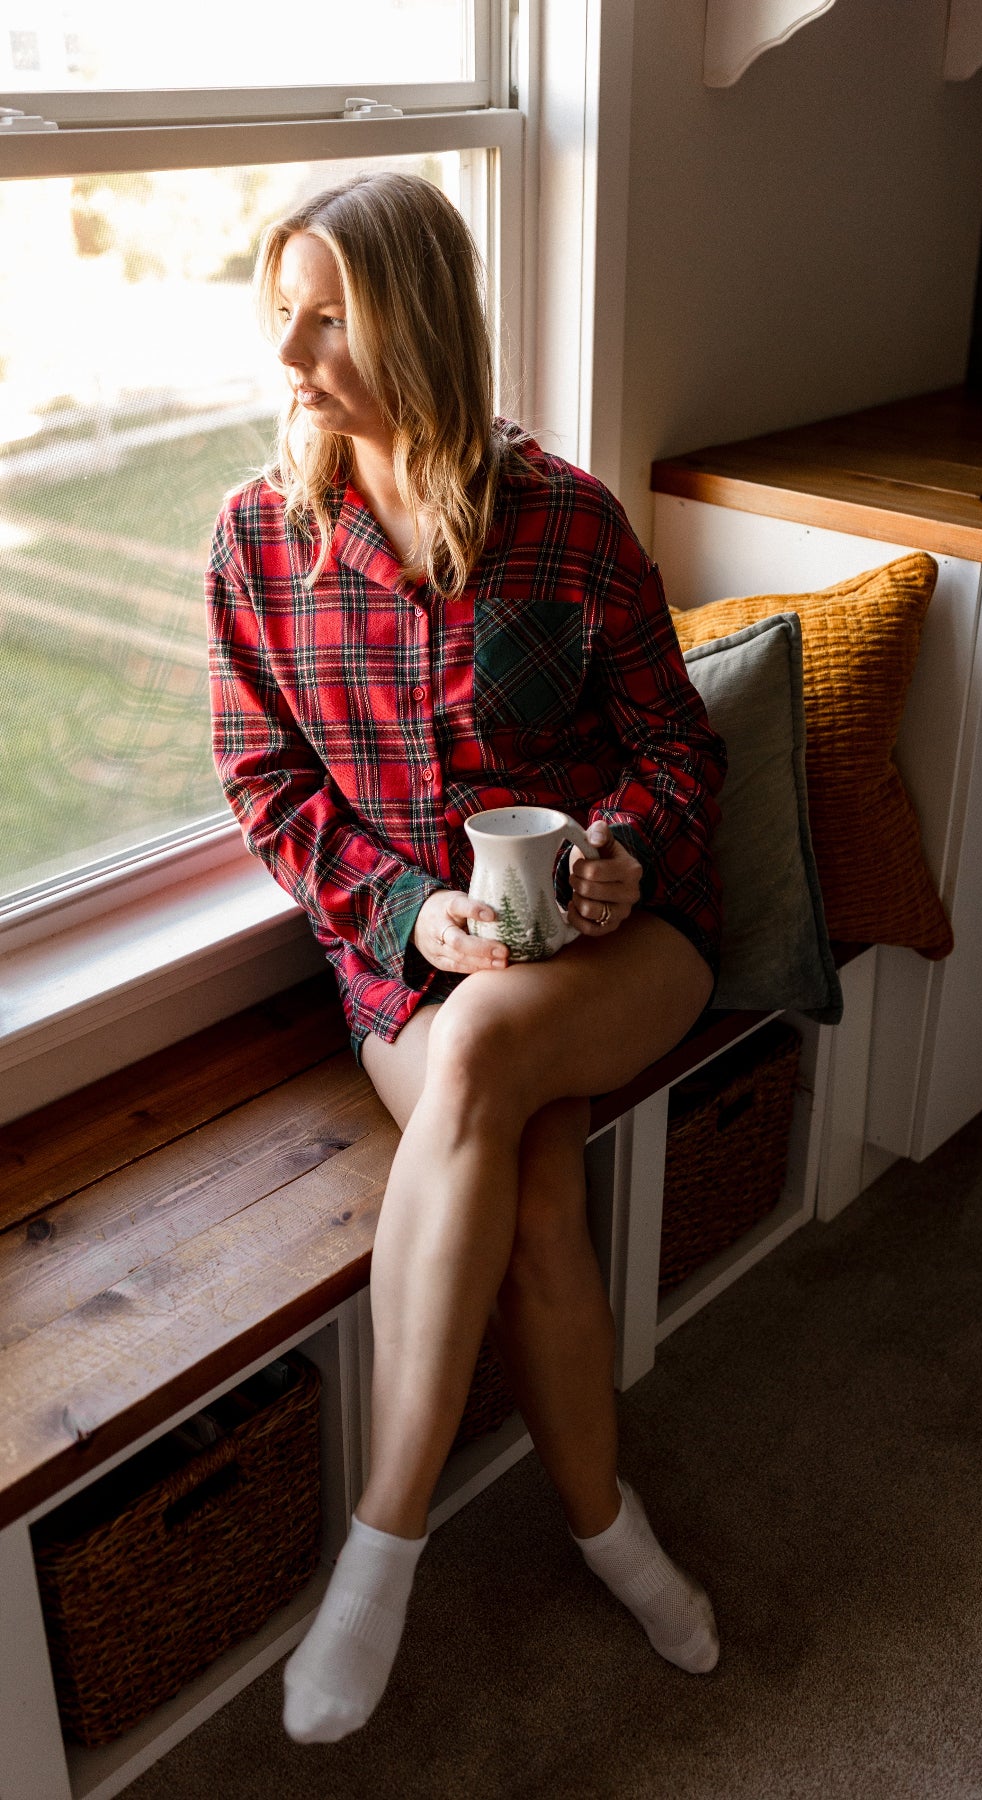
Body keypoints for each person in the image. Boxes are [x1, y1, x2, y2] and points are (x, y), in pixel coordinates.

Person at [206, 171, 727, 1745]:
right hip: (404, 973)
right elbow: (265, 784)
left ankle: (382, 1544)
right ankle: (612, 1532)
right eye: (277, 316)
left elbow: (681, 750)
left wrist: (621, 845)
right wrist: (397, 914)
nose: (290, 355)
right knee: (538, 1189)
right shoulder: (256, 544)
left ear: (417, 322)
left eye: (326, 317)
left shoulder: (565, 522)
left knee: (501, 1046)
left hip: (620, 958)